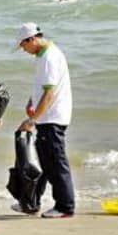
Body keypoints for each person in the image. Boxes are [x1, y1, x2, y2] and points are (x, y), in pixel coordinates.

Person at [15, 23, 75, 218]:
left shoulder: (49, 57)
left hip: (53, 117)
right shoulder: (43, 55)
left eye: (23, 46)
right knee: (44, 161)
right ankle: (31, 202)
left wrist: (32, 120)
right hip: (47, 116)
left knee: (56, 162)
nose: (23, 50)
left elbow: (49, 94)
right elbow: (42, 87)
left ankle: (65, 206)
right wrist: (31, 101)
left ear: (31, 39)